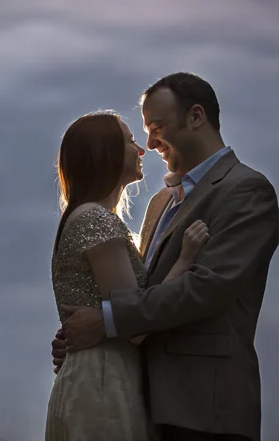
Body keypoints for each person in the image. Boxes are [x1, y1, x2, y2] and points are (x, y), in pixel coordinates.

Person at [53, 73, 279, 441]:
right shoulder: (160, 202)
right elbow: (141, 291)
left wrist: (106, 322)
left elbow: (206, 288)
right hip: (141, 400)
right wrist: (88, 335)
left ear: (196, 117)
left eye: (157, 128)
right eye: (143, 132)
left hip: (204, 407)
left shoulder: (245, 190)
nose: (149, 143)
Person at [45, 110, 211, 441]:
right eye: (130, 141)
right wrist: (185, 261)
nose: (141, 150)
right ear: (104, 153)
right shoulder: (96, 220)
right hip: (102, 382)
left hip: (97, 376)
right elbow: (134, 324)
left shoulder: (88, 217)